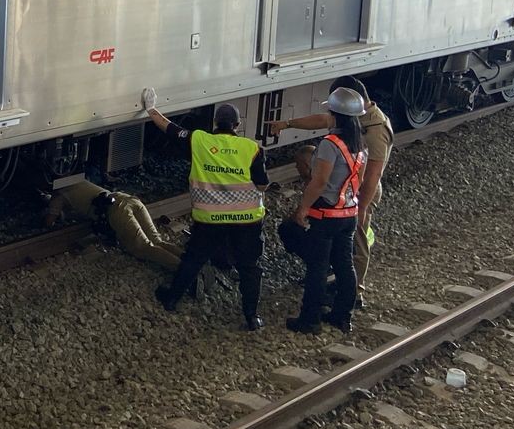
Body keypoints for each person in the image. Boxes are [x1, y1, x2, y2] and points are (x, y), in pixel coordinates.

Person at [140, 88, 270, 331]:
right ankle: (252, 317)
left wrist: (151, 109)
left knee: (194, 259)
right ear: (237, 124)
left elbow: (169, 128)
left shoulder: (200, 140)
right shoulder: (251, 149)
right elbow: (262, 184)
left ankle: (171, 299)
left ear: (214, 123)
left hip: (210, 219)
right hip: (247, 221)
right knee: (249, 267)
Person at [267, 75, 394, 291]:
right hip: (342, 186)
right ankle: (328, 272)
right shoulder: (351, 115)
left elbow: (372, 176)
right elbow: (322, 120)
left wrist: (360, 208)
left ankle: (355, 291)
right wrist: (287, 124)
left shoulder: (376, 129)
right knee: (306, 154)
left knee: (357, 241)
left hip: (359, 192)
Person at [283, 87, 369, 333]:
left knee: (317, 268)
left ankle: (310, 320)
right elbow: (359, 181)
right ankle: (342, 316)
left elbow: (319, 181)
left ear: (334, 116)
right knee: (344, 265)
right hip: (348, 214)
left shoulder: (330, 144)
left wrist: (303, 208)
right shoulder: (361, 146)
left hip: (326, 215)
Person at [84, 182, 182, 272]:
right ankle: (190, 262)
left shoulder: (69, 191)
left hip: (116, 208)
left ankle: (183, 271)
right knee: (157, 241)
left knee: (143, 247)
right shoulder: (80, 181)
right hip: (129, 199)